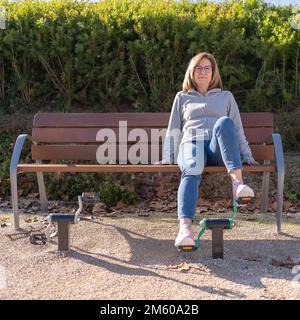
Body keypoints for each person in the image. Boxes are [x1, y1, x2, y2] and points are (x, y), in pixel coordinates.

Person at [159, 52, 258, 247]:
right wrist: (168, 156)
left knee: (224, 122)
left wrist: (247, 155)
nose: (203, 72)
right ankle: (185, 231)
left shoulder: (226, 97)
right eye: (199, 68)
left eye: (207, 68)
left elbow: (236, 129)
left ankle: (238, 185)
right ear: (192, 72)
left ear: (213, 73)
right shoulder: (182, 97)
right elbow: (174, 129)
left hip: (217, 149)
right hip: (192, 144)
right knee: (192, 168)